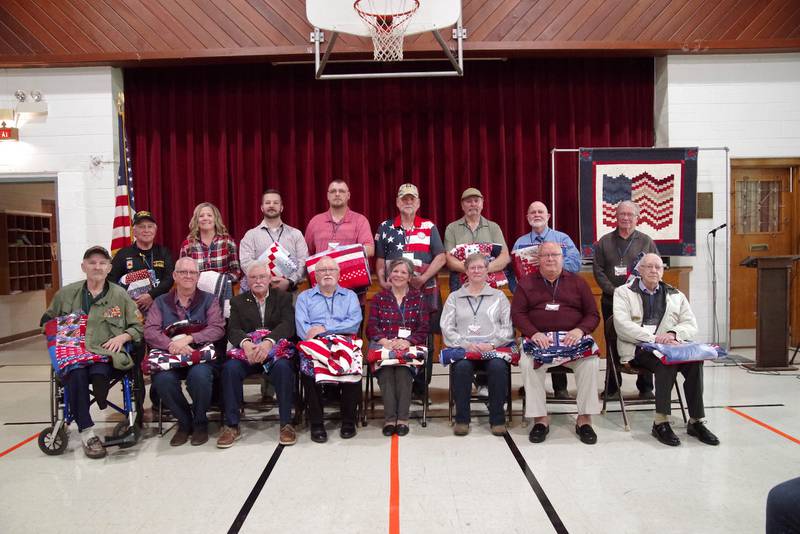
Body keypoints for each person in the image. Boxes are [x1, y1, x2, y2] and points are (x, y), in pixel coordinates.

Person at [42, 246, 143, 459]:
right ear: (83, 266)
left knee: (100, 370)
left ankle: (100, 394)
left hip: (106, 354)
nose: (97, 267)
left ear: (109, 268)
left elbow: (138, 326)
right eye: (92, 262)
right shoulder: (66, 294)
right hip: (75, 356)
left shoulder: (120, 295)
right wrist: (60, 336)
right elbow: (47, 321)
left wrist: (123, 336)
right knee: (77, 374)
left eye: (102, 263)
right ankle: (87, 432)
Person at [613, 253, 719, 447]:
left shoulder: (675, 294)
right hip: (638, 348)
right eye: (649, 267)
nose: (654, 270)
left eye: (658, 267)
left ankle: (696, 421)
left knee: (695, 362)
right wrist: (654, 339)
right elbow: (622, 325)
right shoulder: (623, 292)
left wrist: (672, 334)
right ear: (640, 270)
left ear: (663, 271)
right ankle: (660, 422)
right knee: (665, 363)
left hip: (670, 346)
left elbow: (690, 324)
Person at [511, 242, 602, 444]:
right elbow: (517, 314)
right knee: (527, 363)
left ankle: (585, 419)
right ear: (539, 259)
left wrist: (579, 330)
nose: (550, 259)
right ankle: (540, 419)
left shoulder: (578, 282)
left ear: (562, 258)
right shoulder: (526, 283)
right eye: (545, 255)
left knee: (590, 362)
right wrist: (533, 333)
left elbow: (593, 315)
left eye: (555, 255)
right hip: (539, 340)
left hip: (572, 340)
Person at [145, 257, 225, 447]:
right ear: (174, 275)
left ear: (198, 276)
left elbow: (218, 328)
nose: (188, 276)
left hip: (199, 357)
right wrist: (172, 345)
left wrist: (189, 339)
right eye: (183, 272)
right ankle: (184, 422)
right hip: (169, 357)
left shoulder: (209, 300)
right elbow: (150, 330)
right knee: (163, 380)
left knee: (200, 376)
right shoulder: (160, 302)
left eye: (192, 272)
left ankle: (200, 423)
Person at [374, 183, 445, 394]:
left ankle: (421, 389)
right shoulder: (385, 227)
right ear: (397, 202)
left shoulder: (429, 226)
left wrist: (422, 278)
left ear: (418, 203)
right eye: (404, 198)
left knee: (425, 337)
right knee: (396, 336)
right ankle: (397, 386)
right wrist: (382, 280)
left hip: (425, 292)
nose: (408, 202)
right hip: (395, 294)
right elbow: (379, 259)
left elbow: (441, 256)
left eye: (411, 198)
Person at [219, 261, 296, 448]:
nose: (258, 280)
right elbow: (233, 329)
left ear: (270, 279)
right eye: (253, 277)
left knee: (285, 368)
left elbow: (287, 325)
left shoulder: (283, 298)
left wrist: (269, 342)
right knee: (229, 369)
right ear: (247, 280)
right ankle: (232, 425)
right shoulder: (238, 301)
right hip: (249, 353)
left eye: (262, 277)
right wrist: (246, 344)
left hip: (274, 351)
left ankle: (286, 424)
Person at [512, 200, 581, 399]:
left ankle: (560, 387)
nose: (536, 214)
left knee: (558, 334)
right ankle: (532, 386)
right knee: (533, 338)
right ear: (527, 217)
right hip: (531, 300)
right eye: (532, 212)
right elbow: (512, 271)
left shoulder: (563, 238)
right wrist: (517, 290)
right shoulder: (520, 242)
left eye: (540, 211)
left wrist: (547, 262)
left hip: (558, 294)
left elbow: (575, 264)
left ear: (548, 216)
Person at [440, 253, 514, 436]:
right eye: (472, 268)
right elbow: (447, 327)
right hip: (465, 350)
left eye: (481, 267)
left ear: (487, 271)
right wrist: (465, 345)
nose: (476, 271)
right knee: (462, 368)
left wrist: (492, 344)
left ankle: (497, 419)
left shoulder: (499, 296)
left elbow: (508, 328)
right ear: (466, 271)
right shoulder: (454, 297)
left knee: (498, 367)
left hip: (492, 349)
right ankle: (462, 419)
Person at [593, 200, 658, 399]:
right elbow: (598, 271)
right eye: (622, 214)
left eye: (630, 215)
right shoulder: (604, 241)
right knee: (612, 342)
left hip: (640, 301)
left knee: (644, 339)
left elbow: (654, 266)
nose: (626, 218)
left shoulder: (646, 241)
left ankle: (646, 387)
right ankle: (612, 386)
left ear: (637, 218)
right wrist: (616, 292)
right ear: (616, 216)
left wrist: (634, 293)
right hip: (611, 301)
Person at [295, 256, 363, 442]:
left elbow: (354, 324)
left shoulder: (350, 296)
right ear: (315, 276)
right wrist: (320, 337)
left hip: (344, 342)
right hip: (314, 346)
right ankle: (317, 424)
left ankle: (348, 421)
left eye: (331, 270)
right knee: (309, 370)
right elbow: (303, 329)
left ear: (339, 274)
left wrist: (326, 330)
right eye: (322, 270)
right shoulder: (304, 298)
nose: (327, 273)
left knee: (353, 366)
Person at [367, 258, 430, 437]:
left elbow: (424, 328)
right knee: (386, 372)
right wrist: (385, 341)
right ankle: (389, 419)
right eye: (395, 271)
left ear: (410, 277)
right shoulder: (379, 298)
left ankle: (402, 419)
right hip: (383, 346)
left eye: (403, 272)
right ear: (389, 275)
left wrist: (408, 341)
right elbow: (372, 327)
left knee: (403, 372)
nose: (398, 275)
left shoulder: (419, 298)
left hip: (409, 347)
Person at [239, 189, 309, 292]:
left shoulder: (296, 234)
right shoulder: (250, 235)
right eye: (267, 202)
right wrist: (266, 279)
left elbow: (303, 261)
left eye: (276, 203)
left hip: (289, 292)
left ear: (281, 208)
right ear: (262, 208)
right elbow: (246, 263)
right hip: (259, 292)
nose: (271, 205)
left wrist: (290, 281)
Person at [443, 187, 510, 292]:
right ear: (462, 205)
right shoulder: (452, 228)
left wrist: (484, 270)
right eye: (468, 201)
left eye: (476, 201)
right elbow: (449, 259)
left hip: (489, 281)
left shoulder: (494, 227)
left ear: (482, 203)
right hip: (461, 282)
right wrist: (472, 271)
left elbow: (505, 256)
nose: (473, 204)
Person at [108, 210, 174, 315]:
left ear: (155, 230)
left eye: (150, 226)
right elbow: (111, 280)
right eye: (142, 227)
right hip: (130, 308)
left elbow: (170, 278)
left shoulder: (163, 252)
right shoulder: (123, 254)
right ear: (134, 232)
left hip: (160, 305)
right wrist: (128, 301)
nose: (146, 230)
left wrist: (151, 295)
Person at [304, 179, 374, 257]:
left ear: (348, 195)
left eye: (341, 191)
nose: (337, 194)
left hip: (350, 268)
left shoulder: (360, 221)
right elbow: (306, 252)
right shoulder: (315, 222)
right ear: (328, 196)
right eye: (333, 191)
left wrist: (343, 255)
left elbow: (370, 249)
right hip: (322, 269)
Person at [179, 201, 242, 283]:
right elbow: (182, 273)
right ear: (196, 220)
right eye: (201, 216)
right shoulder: (187, 245)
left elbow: (236, 272)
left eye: (209, 215)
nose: (205, 218)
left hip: (222, 292)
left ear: (215, 219)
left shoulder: (227, 242)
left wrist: (218, 281)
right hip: (197, 292)